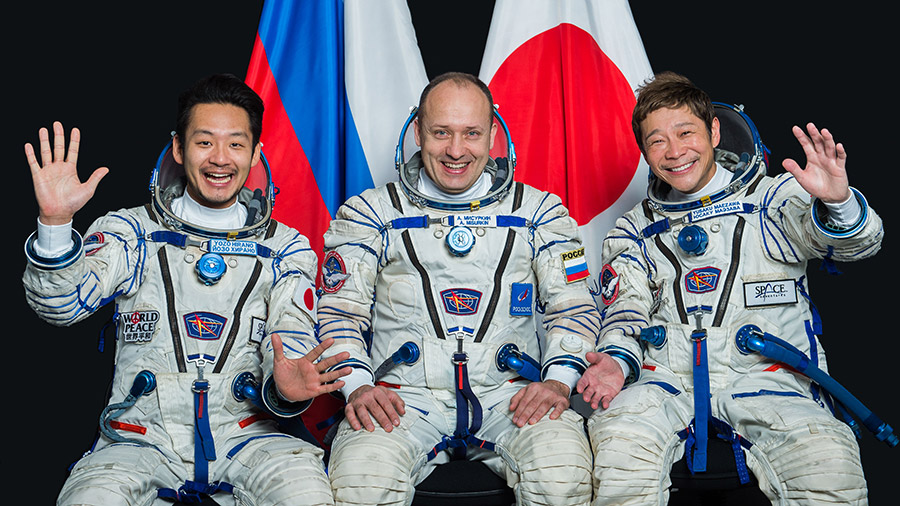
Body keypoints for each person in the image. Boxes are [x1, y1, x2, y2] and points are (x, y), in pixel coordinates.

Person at [22, 73, 349, 506]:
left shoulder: (285, 248)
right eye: (204, 142)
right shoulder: (132, 232)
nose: (220, 159)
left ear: (255, 155)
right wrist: (56, 225)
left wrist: (283, 390)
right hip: (140, 439)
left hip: (250, 438)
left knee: (309, 497)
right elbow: (60, 306)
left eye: (235, 143)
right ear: (178, 148)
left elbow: (290, 338)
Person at [577, 71, 883, 505]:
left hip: (768, 378)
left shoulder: (772, 200)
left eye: (686, 132)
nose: (675, 151)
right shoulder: (634, 230)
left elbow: (856, 244)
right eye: (657, 141)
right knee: (617, 447)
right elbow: (626, 309)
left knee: (827, 460)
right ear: (644, 150)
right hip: (666, 381)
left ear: (714, 130)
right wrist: (616, 361)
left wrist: (838, 202)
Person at [316, 72, 599, 506]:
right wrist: (357, 385)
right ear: (417, 132)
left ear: (492, 135)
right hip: (401, 397)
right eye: (440, 132)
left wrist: (559, 381)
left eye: (471, 133)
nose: (455, 150)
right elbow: (340, 313)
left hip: (512, 394)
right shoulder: (370, 213)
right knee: (361, 484)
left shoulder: (540, 212)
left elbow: (573, 308)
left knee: (563, 478)